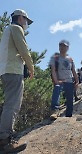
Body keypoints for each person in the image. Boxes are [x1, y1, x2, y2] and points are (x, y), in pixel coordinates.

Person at [0, 9, 34, 153]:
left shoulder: (8, 30)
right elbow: (24, 50)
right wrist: (31, 68)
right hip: (13, 71)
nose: (27, 24)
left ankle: (5, 137)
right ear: (20, 18)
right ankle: (6, 140)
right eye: (26, 20)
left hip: (7, 70)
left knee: (10, 104)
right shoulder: (16, 28)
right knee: (12, 105)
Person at [50, 40, 78, 120]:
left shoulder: (70, 59)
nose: (62, 48)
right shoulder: (55, 58)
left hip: (69, 81)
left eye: (64, 46)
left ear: (67, 48)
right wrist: (56, 81)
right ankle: (55, 111)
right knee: (57, 92)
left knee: (70, 99)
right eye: (61, 46)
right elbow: (53, 70)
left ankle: (69, 115)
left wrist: (77, 81)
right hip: (60, 80)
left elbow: (73, 70)